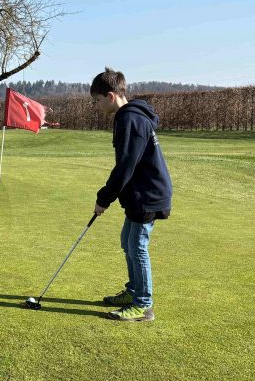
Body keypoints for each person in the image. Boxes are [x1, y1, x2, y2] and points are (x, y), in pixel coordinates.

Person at [90, 67, 173, 322]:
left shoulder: (130, 119)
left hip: (147, 194)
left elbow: (125, 166)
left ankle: (143, 305)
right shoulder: (128, 117)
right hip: (140, 193)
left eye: (97, 100)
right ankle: (134, 291)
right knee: (128, 241)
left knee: (137, 246)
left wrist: (104, 198)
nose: (96, 106)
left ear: (111, 96)